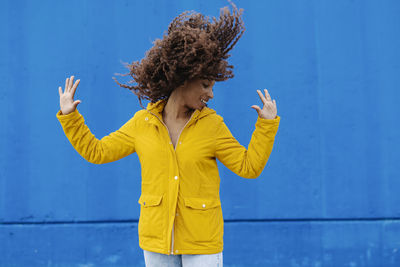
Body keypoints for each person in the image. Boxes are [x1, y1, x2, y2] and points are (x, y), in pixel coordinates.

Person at [56, 1, 280, 266]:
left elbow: (249, 166)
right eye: (206, 85)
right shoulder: (143, 123)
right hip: (157, 240)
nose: (211, 94)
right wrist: (70, 118)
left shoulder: (212, 125)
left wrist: (266, 125)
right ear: (185, 77)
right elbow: (97, 152)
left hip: (202, 242)